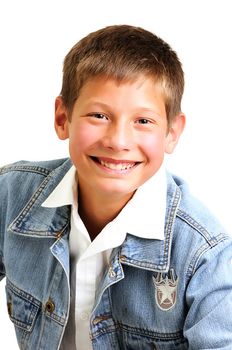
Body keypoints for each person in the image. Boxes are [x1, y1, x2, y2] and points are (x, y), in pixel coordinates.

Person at [0, 24, 231, 350]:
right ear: (63, 118)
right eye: (98, 115)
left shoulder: (205, 256)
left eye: (143, 121)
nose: (119, 141)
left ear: (172, 133)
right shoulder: (12, 195)